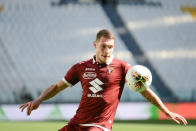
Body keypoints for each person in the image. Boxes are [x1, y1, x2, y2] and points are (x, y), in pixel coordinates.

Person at [20, 29, 187, 131]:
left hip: (100, 127)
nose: (107, 50)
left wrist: (166, 111)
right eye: (103, 46)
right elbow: (57, 87)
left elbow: (145, 91)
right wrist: (39, 99)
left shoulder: (123, 68)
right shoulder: (80, 67)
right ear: (95, 45)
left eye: (111, 47)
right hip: (76, 124)